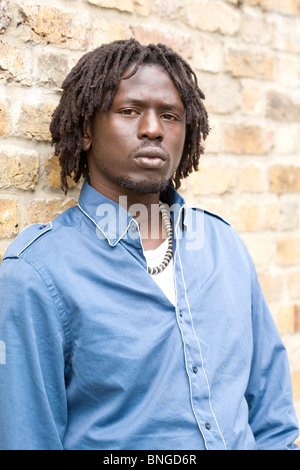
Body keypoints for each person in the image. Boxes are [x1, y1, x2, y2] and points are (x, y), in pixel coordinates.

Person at [0, 39, 299, 450]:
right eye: (129, 111)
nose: (153, 129)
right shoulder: (36, 274)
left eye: (170, 116)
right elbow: (26, 436)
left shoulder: (223, 246)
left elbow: (274, 415)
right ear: (86, 131)